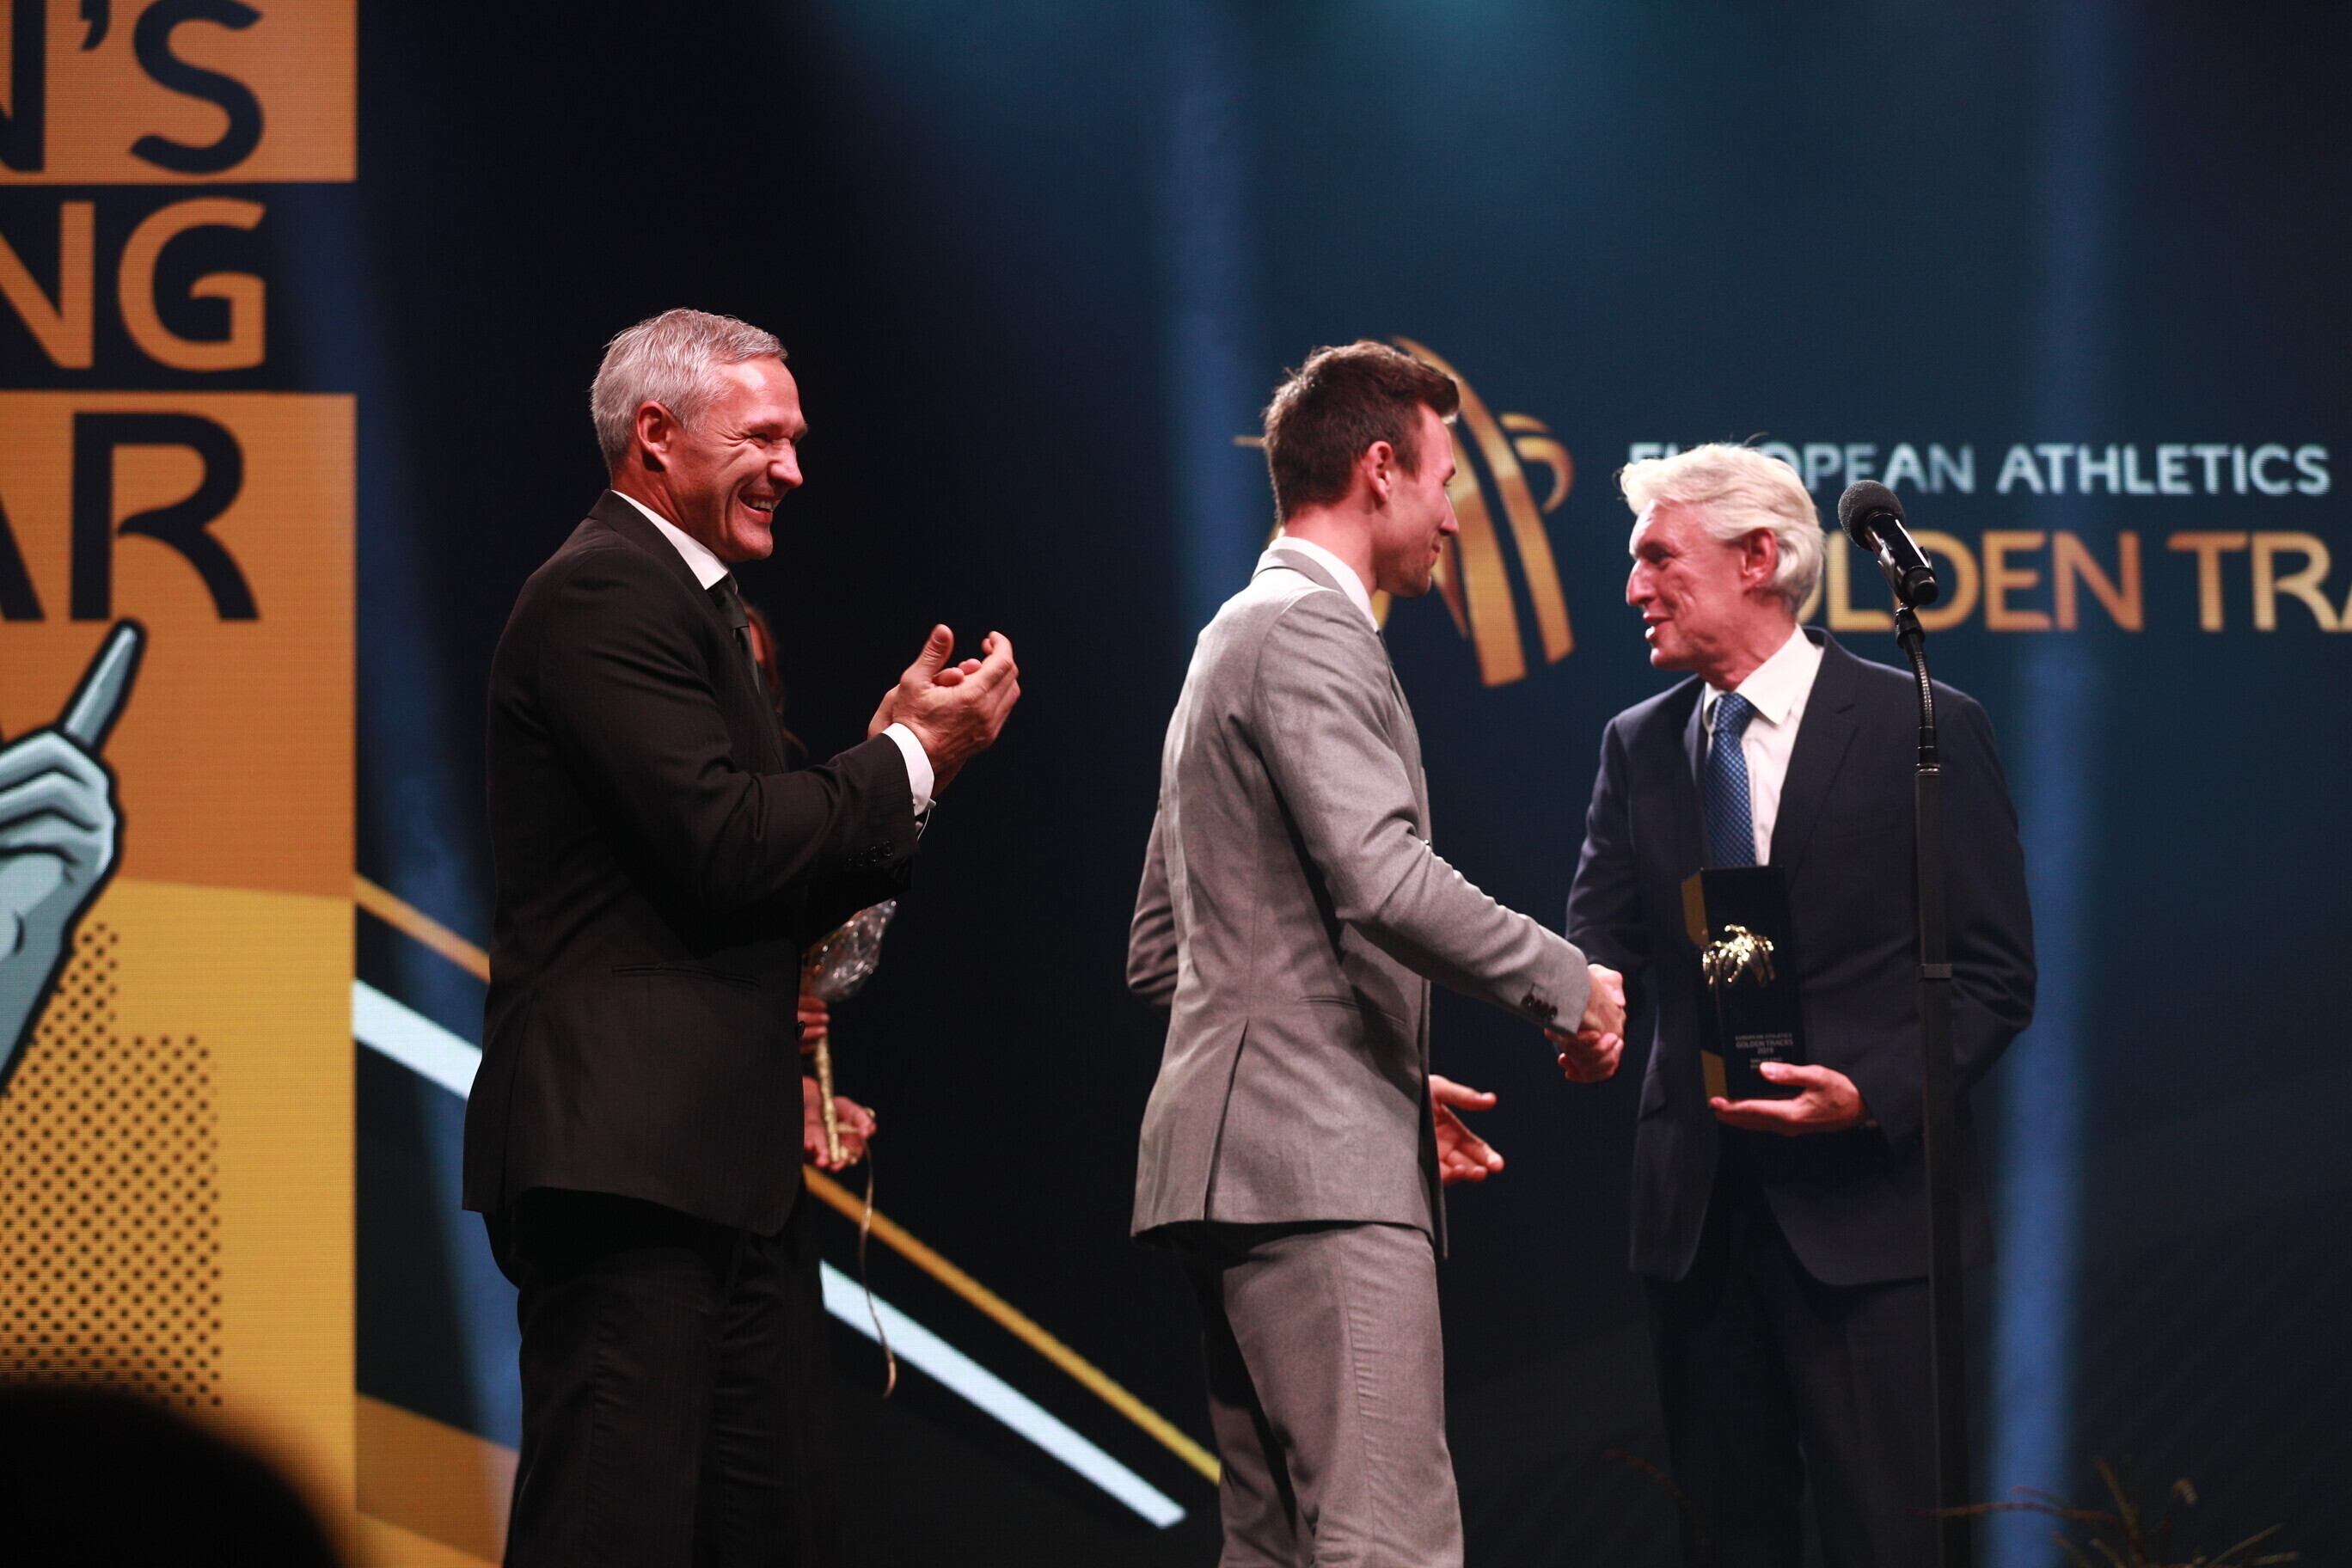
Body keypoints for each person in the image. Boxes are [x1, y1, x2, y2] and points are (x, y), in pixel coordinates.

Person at [462, 308, 1020, 1568]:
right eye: (763, 436)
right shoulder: (605, 590)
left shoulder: (696, 610)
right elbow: (727, 845)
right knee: (611, 1530)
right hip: (628, 1163)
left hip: (724, 1166)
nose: (793, 468)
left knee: (763, 1533)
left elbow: (770, 876)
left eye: (796, 438)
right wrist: (909, 758)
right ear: (656, 434)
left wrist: (899, 759)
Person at [1128, 340, 1627, 1568]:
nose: (1453, 517)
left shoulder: (1229, 637)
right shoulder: (1311, 633)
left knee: (1280, 1549)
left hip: (1236, 1172)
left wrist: (1385, 1079)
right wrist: (1568, 987)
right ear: (1380, 469)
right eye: (1445, 482)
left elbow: (1163, 951)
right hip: (1317, 1177)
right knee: (1387, 1546)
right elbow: (1384, 879)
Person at [1565, 444, 2035, 1567]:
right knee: (1728, 1541)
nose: (1634, 588)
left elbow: (1993, 977)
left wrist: (1869, 1093)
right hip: (1700, 1225)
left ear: (1759, 559)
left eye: (1658, 559)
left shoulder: (1922, 726)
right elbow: (1599, 940)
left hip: (1870, 1219)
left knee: (1893, 1541)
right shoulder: (1640, 745)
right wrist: (1579, 1009)